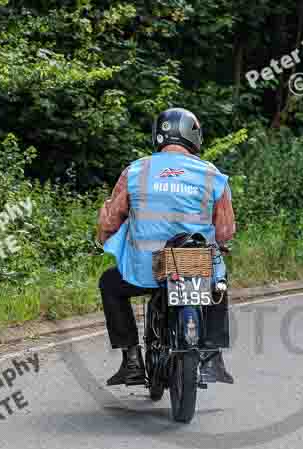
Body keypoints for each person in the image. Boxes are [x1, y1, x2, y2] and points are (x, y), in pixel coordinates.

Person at [97, 108, 236, 387]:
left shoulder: (136, 170)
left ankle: (132, 359)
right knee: (218, 283)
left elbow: (111, 220)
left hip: (145, 270)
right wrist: (220, 244)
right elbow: (225, 231)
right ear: (194, 136)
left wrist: (103, 239)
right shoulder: (211, 174)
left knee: (110, 283)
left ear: (158, 135)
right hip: (193, 268)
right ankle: (211, 356)